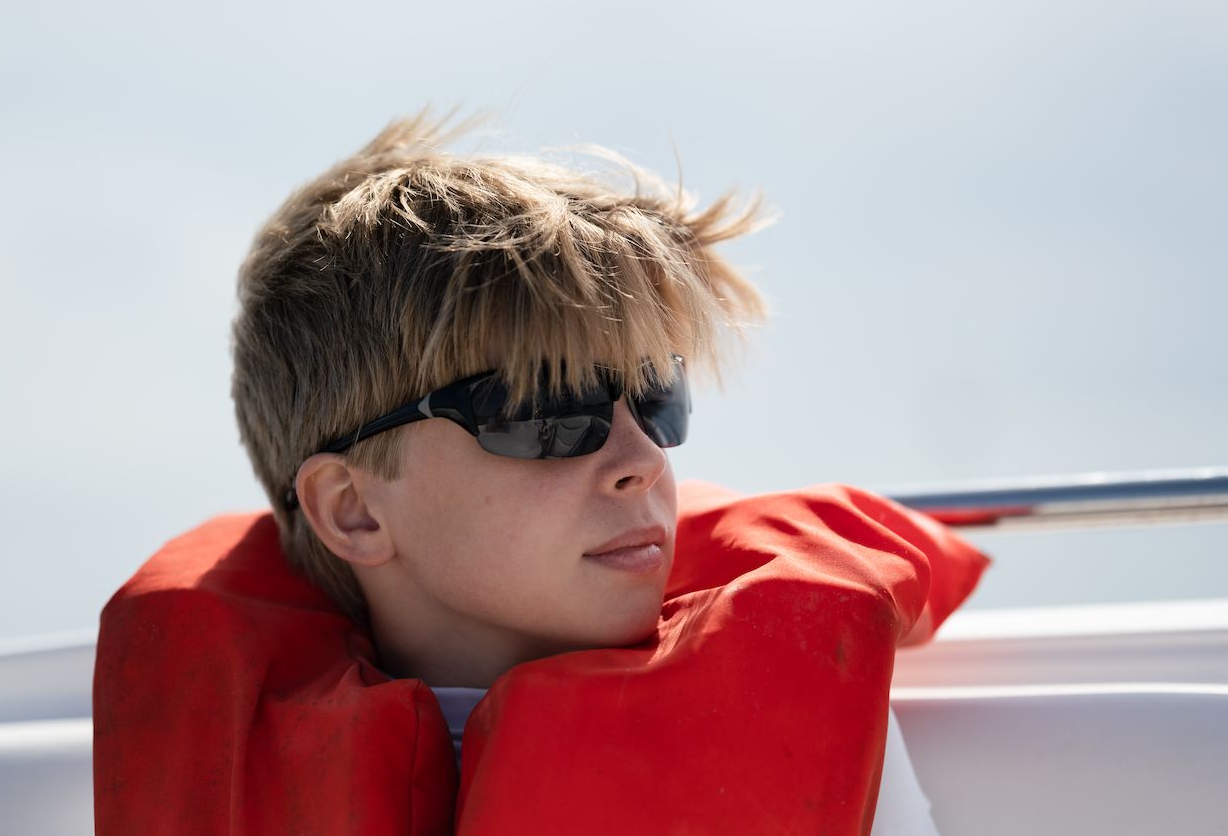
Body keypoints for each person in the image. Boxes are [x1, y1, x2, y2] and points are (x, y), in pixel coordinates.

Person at [93, 112, 989, 834]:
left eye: (655, 394)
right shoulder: (198, 752)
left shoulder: (816, 728)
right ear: (354, 509)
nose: (642, 461)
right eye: (546, 410)